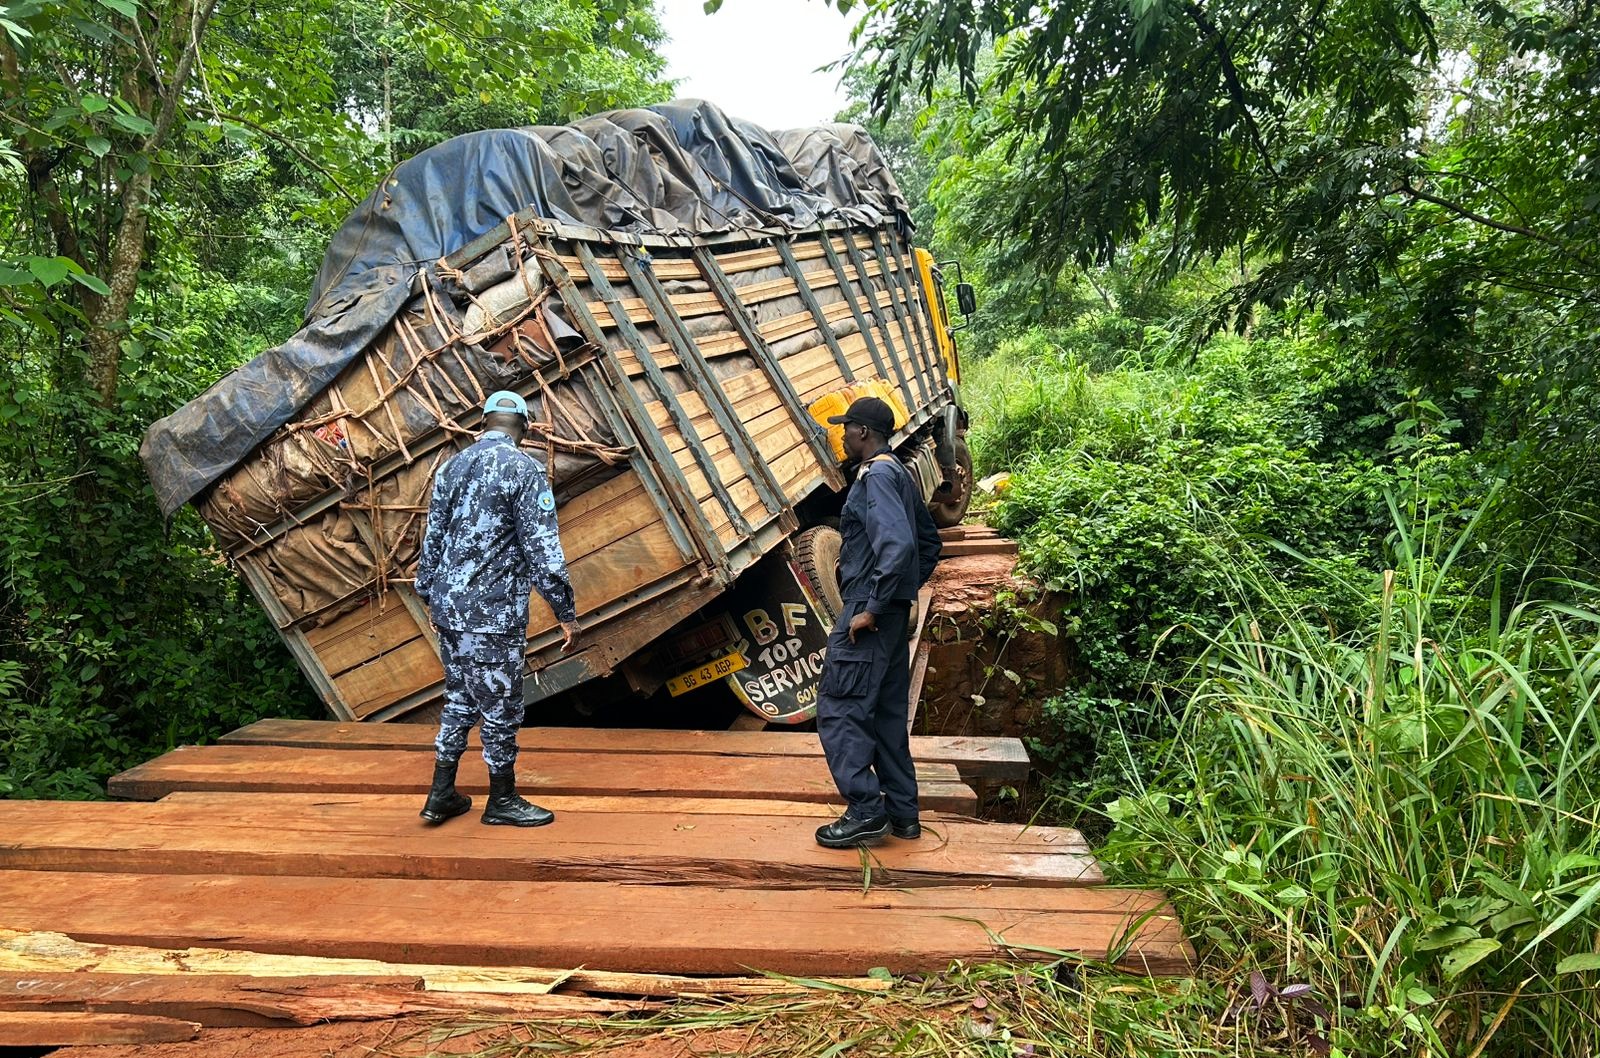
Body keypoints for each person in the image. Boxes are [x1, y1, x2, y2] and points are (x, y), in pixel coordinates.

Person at [412, 390, 580, 828]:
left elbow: (432, 539)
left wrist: (427, 593)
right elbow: (544, 552)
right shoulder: (524, 470)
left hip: (449, 610)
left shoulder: (450, 468)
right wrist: (565, 611)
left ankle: (441, 793)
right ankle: (502, 799)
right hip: (493, 616)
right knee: (501, 706)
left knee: (459, 697)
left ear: (484, 422)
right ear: (523, 427)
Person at [813, 396, 943, 848]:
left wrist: (873, 605)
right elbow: (928, 543)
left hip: (867, 614)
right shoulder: (899, 473)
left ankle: (866, 811)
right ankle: (903, 814)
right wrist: (898, 596)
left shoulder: (877, 477)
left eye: (846, 428)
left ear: (864, 432)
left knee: (841, 709)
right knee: (887, 715)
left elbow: (900, 545)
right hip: (888, 615)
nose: (843, 435)